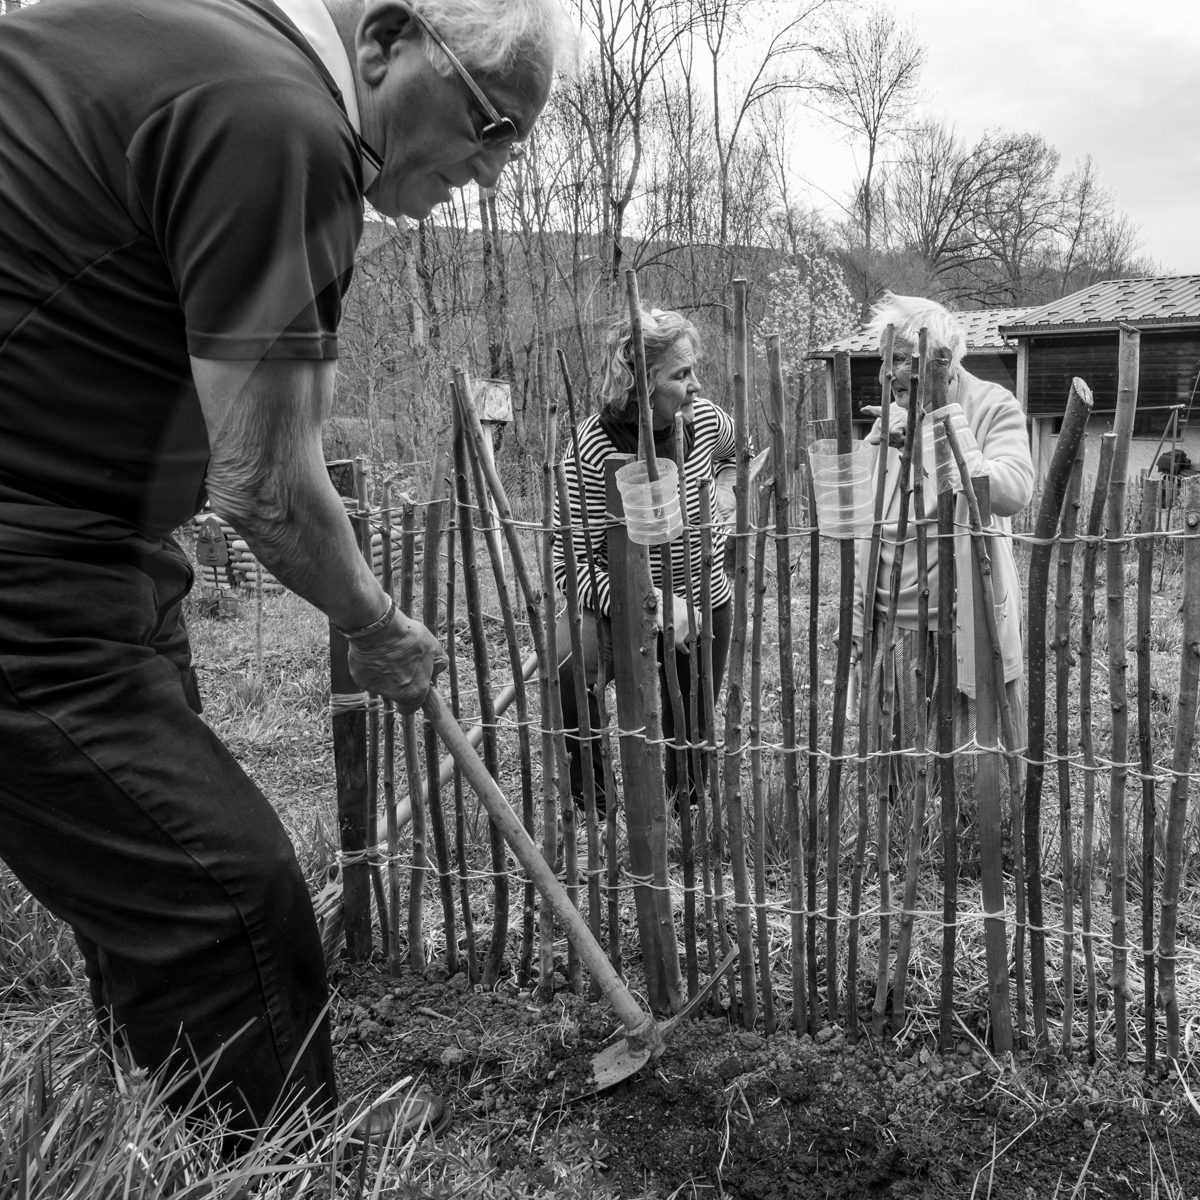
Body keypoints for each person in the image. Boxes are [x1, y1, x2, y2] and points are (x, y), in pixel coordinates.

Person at [0, 0, 569, 1145]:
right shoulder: (282, 124)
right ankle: (277, 1173)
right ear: (388, 42)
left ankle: (153, 1143)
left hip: (99, 540)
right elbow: (263, 480)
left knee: (160, 891)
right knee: (228, 906)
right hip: (26, 552)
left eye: (514, 143)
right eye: (487, 123)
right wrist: (377, 622)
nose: (495, 171)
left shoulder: (224, 57)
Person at [553, 308, 738, 815]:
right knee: (569, 664)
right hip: (620, 608)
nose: (697, 386)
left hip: (701, 602)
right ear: (640, 382)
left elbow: (735, 447)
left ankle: (687, 816)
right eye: (682, 375)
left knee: (692, 734)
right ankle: (594, 807)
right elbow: (568, 564)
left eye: (693, 370)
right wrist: (654, 601)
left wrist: (722, 488)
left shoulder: (703, 421)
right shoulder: (591, 447)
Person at [852, 293, 1034, 805]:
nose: (887, 376)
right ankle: (905, 825)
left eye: (900, 362)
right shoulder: (893, 411)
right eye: (885, 361)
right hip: (892, 614)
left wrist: (943, 424)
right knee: (899, 749)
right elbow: (875, 501)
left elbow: (1012, 490)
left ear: (941, 362)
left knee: (970, 744)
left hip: (962, 613)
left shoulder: (992, 404)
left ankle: (979, 831)